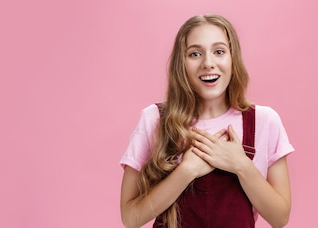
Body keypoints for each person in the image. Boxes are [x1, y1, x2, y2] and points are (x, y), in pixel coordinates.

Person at [120, 14, 294, 228]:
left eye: (219, 51)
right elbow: (130, 218)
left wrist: (241, 165)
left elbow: (280, 218)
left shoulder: (264, 121)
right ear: (181, 63)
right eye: (195, 54)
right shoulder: (154, 119)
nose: (208, 63)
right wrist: (186, 171)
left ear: (233, 58)